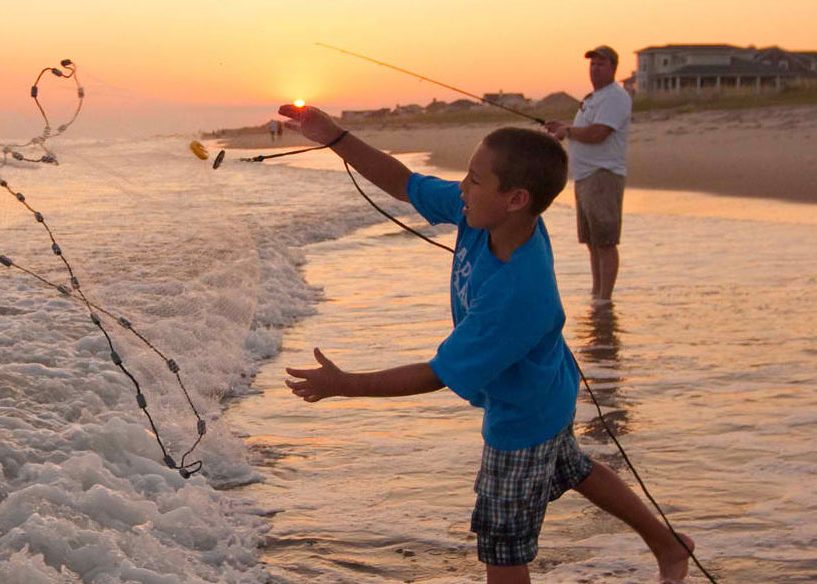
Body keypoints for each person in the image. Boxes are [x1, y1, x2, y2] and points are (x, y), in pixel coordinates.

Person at [276, 103, 691, 584]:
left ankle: (668, 545)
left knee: (503, 548)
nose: (462, 188)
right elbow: (405, 182)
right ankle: (669, 545)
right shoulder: (481, 214)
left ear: (515, 199)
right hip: (549, 389)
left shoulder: (517, 292)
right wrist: (333, 136)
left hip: (521, 417)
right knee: (574, 469)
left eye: (474, 179)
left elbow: (438, 373)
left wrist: (345, 384)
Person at [545, 45, 632, 303]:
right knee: (592, 241)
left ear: (613, 68)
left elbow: (598, 133)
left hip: (603, 174)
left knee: (605, 240)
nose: (595, 69)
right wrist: (562, 128)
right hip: (584, 177)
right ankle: (597, 293)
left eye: (601, 64)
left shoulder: (615, 96)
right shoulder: (593, 98)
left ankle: (605, 298)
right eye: (592, 64)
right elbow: (583, 129)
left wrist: (567, 131)